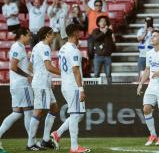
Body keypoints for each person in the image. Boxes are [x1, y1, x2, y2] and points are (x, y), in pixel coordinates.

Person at [51, 24, 90, 153]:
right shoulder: (73, 50)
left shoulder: (63, 48)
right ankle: (74, 147)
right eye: (78, 31)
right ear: (74, 33)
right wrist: (81, 89)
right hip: (73, 86)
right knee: (75, 115)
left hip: (66, 84)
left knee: (78, 115)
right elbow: (75, 70)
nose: (80, 33)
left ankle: (57, 133)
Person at [26, 26, 60, 150]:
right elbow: (49, 67)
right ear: (47, 35)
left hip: (42, 82)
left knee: (54, 108)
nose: (54, 36)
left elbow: (30, 66)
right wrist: (65, 73)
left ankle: (45, 140)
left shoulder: (36, 46)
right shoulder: (45, 47)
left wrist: (46, 79)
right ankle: (30, 143)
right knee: (38, 111)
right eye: (52, 34)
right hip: (41, 83)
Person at [0, 28, 33, 153]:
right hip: (22, 85)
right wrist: (28, 76)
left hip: (15, 85)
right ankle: (32, 142)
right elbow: (13, 66)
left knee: (17, 113)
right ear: (22, 35)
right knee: (29, 112)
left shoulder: (16, 47)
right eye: (28, 35)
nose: (29, 37)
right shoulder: (19, 47)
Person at [90, 16, 115, 85]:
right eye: (101, 21)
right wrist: (103, 32)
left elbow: (110, 42)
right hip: (98, 56)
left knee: (108, 74)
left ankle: (110, 89)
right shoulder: (95, 31)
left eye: (104, 21)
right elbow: (95, 38)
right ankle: (95, 89)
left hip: (107, 56)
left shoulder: (109, 31)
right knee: (96, 74)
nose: (103, 23)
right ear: (98, 23)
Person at [136, 17, 154, 81]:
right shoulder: (141, 30)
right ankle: (140, 87)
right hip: (142, 55)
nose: (148, 23)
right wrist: (145, 32)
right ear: (145, 22)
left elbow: (158, 41)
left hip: (152, 55)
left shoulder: (156, 30)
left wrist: (152, 33)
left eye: (149, 22)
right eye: (147, 22)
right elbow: (139, 39)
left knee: (152, 74)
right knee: (141, 74)